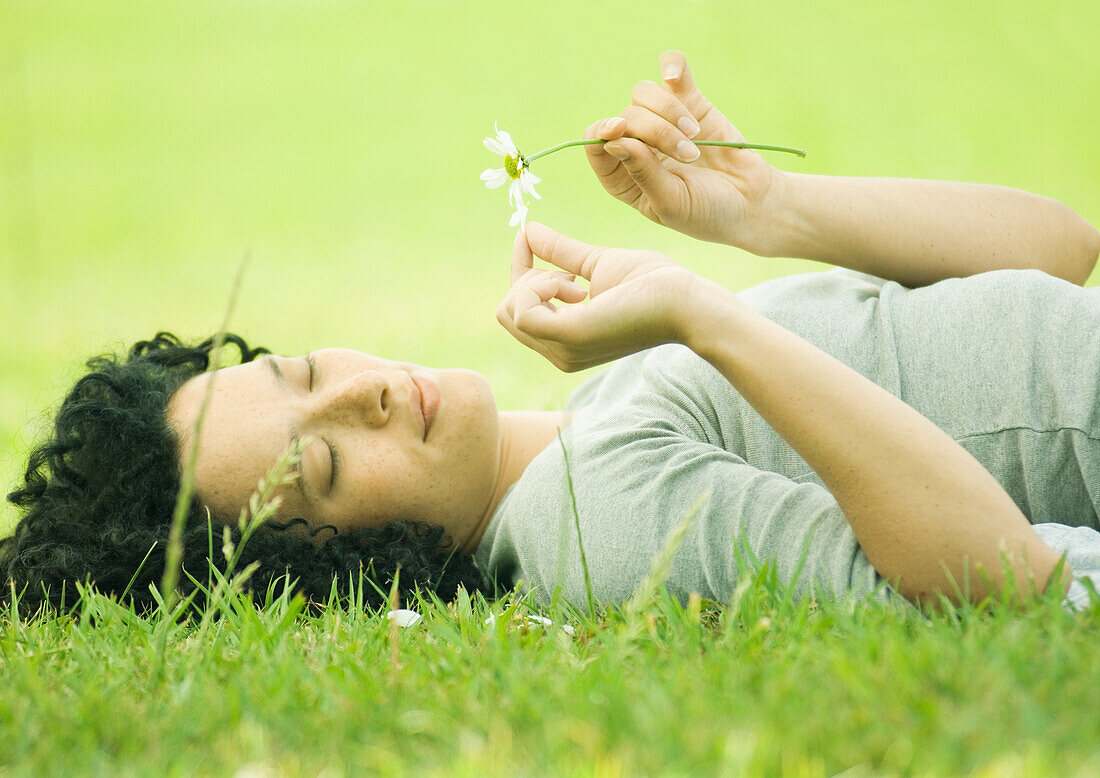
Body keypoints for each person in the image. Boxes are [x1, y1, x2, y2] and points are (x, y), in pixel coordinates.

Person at [3, 52, 1099, 617]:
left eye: (305, 372)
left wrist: (768, 217)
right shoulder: (601, 516)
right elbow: (1001, 588)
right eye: (326, 466)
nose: (362, 393)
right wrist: (693, 308)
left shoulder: (592, 433)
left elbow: (1056, 250)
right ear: (362, 573)